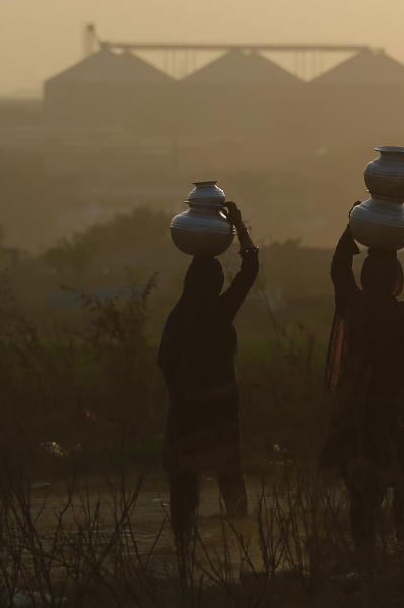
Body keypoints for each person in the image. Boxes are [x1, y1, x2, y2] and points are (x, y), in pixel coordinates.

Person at [321, 202, 404, 550]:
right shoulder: (403, 316)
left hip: (359, 414)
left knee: (363, 493)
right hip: (397, 417)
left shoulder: (351, 306)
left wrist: (352, 225)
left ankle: (365, 554)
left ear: (366, 275)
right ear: (395, 279)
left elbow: (339, 269)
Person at [158, 201, 258, 551]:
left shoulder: (178, 315)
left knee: (184, 482)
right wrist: (240, 227)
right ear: (216, 283)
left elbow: (163, 359)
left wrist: (180, 391)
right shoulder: (220, 312)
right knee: (230, 474)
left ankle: (184, 547)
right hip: (220, 410)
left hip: (184, 411)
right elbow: (250, 270)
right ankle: (242, 544)